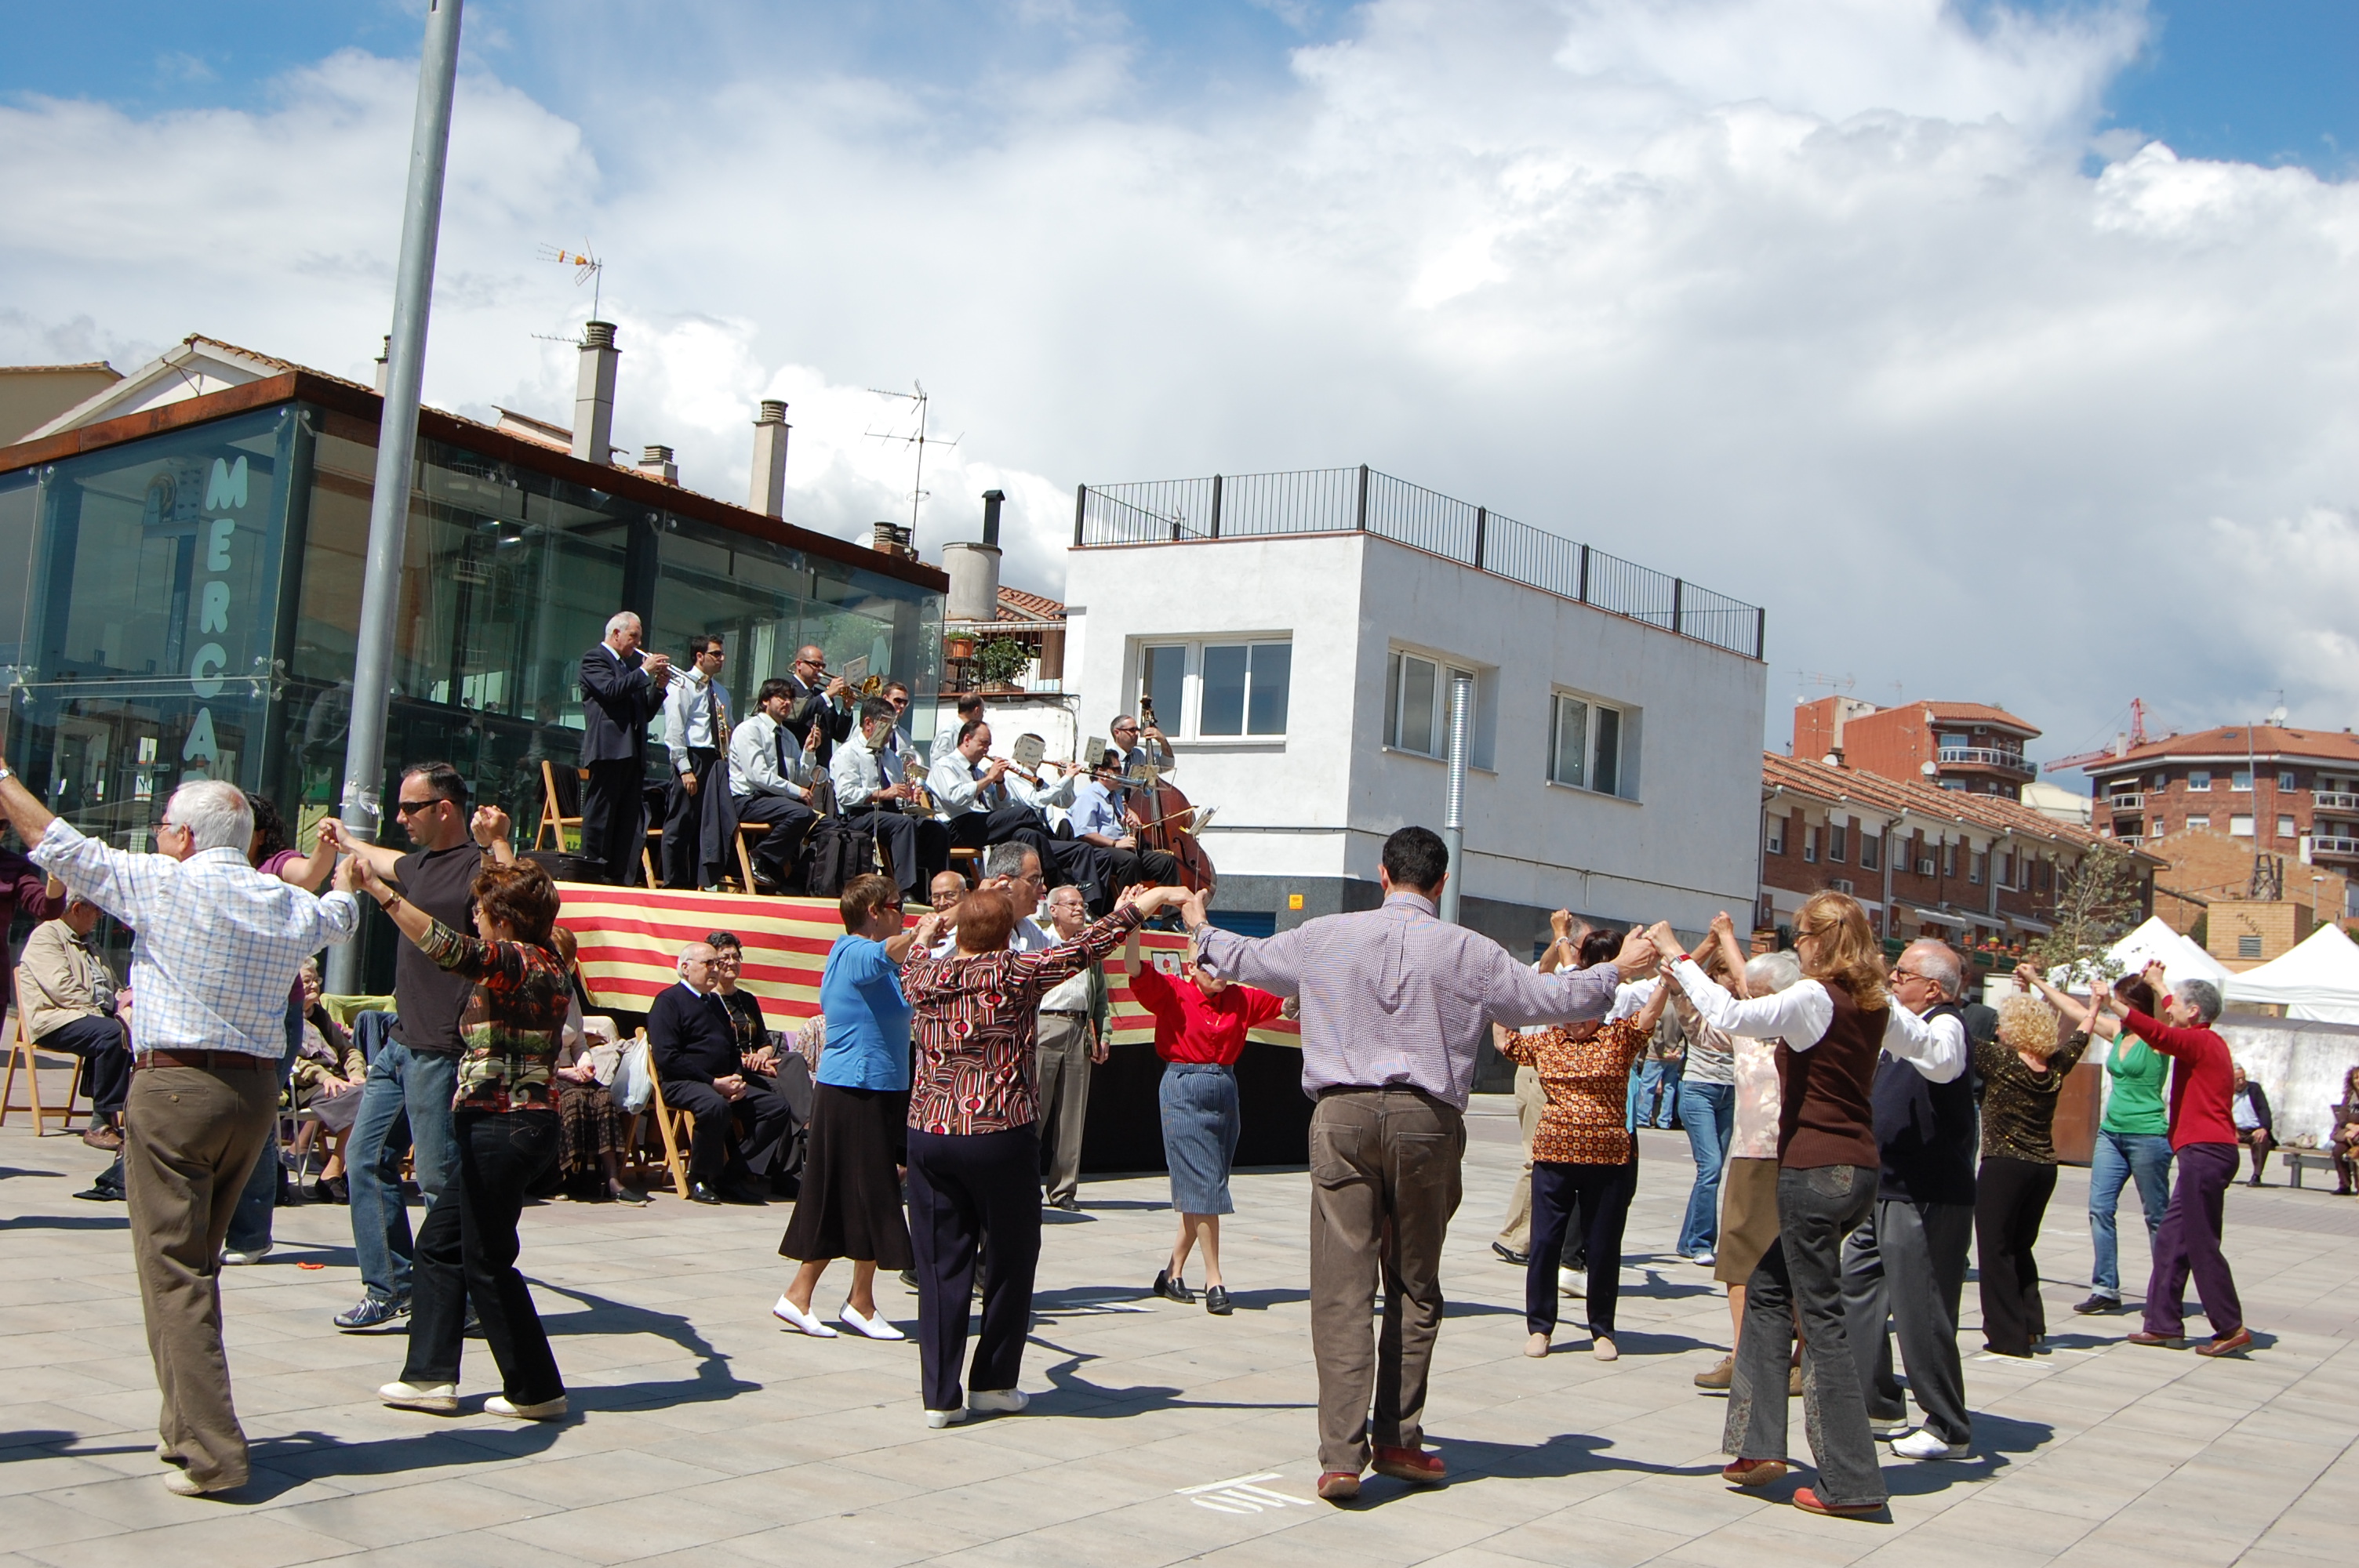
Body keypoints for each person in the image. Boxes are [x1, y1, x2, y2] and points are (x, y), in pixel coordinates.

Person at [1180, 827, 1656, 1502]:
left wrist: (1195, 918)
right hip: (1427, 1122)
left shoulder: (1324, 935)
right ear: (1440, 882)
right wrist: (1619, 968)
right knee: (1413, 1283)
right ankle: (1399, 1437)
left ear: (1382, 875)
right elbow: (1547, 1000)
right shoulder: (1469, 948)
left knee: (1341, 1285)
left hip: (1341, 1116)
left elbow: (1241, 957)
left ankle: (1341, 1455)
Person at [0, 764, 358, 1497]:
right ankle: (181, 1426)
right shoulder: (278, 899)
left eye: (165, 825)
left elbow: (53, 841)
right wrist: (348, 875)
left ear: (187, 836)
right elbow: (340, 915)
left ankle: (212, 1450)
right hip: (254, 1094)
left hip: (175, 1087)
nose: (158, 834)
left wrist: (5, 776)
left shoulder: (164, 882)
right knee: (194, 1263)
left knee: (175, 1273)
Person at [1656, 891, 1963, 1519]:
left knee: (1821, 1323)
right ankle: (1757, 1444)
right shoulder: (1877, 1002)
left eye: (1800, 935)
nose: (1795, 944)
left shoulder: (1815, 997)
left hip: (1812, 1171)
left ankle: (1850, 1481)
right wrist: (1955, 1018)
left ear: (1822, 939)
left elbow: (1727, 1011)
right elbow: (1940, 1058)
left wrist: (1677, 956)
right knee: (1770, 1291)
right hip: (1859, 1173)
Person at [899, 884, 1184, 1427]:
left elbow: (917, 945)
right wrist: (1145, 904)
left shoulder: (923, 974)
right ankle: (994, 1381)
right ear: (1007, 933)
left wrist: (928, 931)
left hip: (930, 1131)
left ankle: (940, 1395)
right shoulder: (1014, 970)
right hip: (998, 1130)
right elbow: (1091, 945)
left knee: (940, 1266)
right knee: (1010, 1257)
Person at [350, 855, 572, 1422]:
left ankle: (535, 1388)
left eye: (480, 909)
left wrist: (381, 891)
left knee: (488, 1260)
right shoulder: (545, 955)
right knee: (443, 1246)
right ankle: (429, 1376)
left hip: (504, 1125)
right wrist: (499, 847)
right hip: (504, 1126)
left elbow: (454, 950)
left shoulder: (521, 960)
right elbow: (517, 902)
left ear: (505, 916)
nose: (473, 917)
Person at [321, 764, 511, 1332]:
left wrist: (497, 839)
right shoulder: (419, 863)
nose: (401, 818)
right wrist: (347, 842)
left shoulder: (477, 866)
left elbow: (515, 904)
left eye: (410, 808)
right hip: (401, 1043)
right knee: (363, 1157)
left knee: (437, 1180)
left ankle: (463, 1299)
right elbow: (378, 859)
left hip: (444, 1048)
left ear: (444, 809)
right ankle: (391, 1287)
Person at [2037, 963, 2250, 1357]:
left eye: (2177, 1006)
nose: (2168, 1008)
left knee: (2201, 1242)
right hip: (2198, 1151)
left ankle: (2230, 1325)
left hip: (2207, 1151)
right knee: (2171, 1238)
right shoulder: (2197, 1034)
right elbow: (2169, 1013)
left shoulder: (2202, 1042)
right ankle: (2164, 1324)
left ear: (2194, 1014)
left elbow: (2157, 1030)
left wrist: (2116, 1005)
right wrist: (2157, 984)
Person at [1837, 937, 1976, 1461]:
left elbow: (1941, 1063)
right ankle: (1879, 1403)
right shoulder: (1902, 1029)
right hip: (1885, 1185)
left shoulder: (1946, 1026)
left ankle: (1948, 1424)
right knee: (1857, 1287)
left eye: (1902, 974)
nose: (1893, 981)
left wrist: (1879, 996)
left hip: (1927, 1192)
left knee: (1924, 1310)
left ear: (1934, 988)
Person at [773, 873, 926, 1341]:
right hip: (853, 1090)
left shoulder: (887, 965)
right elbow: (882, 954)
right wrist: (922, 931)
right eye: (899, 906)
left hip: (880, 1089)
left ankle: (855, 1300)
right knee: (860, 1192)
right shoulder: (852, 951)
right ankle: (806, 1295)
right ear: (875, 911)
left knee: (868, 1193)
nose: (906, 913)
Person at [1500, 969, 1670, 1362]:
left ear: (1600, 1010)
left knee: (1604, 1246)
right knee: (1544, 1243)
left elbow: (1648, 1016)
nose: (1575, 1022)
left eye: (1583, 1013)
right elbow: (1504, 1039)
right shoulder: (1545, 1042)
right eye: (1568, 1013)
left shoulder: (1618, 1037)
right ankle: (1540, 1327)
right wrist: (1505, 995)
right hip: (1554, 1157)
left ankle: (1602, 1330)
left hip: (1608, 1158)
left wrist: (1665, 981)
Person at [1128, 913, 1285, 1313]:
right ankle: (1215, 1279)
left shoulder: (1241, 999)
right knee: (1207, 1189)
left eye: (1227, 971)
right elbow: (1135, 970)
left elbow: (1287, 1001)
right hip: (1183, 1089)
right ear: (1193, 968)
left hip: (1223, 1090)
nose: (1222, 978)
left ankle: (1171, 1273)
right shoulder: (1173, 993)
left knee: (1207, 1185)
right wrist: (1131, 932)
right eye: (1213, 969)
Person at [1696, 945, 1807, 1397]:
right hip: (1748, 1153)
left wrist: (1726, 938)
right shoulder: (1746, 1029)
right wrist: (1690, 960)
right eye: (1751, 995)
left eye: (1763, 996)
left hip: (1795, 1153)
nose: (1753, 1002)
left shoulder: (1807, 1032)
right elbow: (1707, 1006)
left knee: (1798, 1263)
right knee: (1738, 1259)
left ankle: (1801, 1359)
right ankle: (1743, 1354)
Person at [1971, 987, 2087, 1359]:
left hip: (2004, 1166)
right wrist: (2095, 1007)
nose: (1998, 1029)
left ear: (2015, 1029)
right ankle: (2032, 1326)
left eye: (2003, 1024)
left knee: (1996, 1251)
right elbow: (2080, 1038)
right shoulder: (2054, 1064)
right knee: (2021, 1248)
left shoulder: (1999, 1060)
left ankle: (2008, 1336)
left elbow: (1954, 1035)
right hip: (2044, 1169)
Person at [648, 941, 798, 1203]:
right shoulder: (668, 1002)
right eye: (709, 963)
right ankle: (701, 1178)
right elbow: (667, 1057)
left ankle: (732, 1174)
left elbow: (731, 1048)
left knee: (776, 1108)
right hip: (684, 1082)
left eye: (716, 964)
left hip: (723, 1081)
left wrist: (737, 1078)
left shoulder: (715, 1003)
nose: (715, 969)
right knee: (715, 1106)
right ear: (685, 968)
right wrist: (713, 1082)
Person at [2074, 975, 2173, 1313]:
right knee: (2100, 1209)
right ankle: (2105, 1288)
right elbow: (2075, 1010)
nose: (2116, 1010)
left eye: (2121, 1003)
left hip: (2148, 1134)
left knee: (2157, 1216)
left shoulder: (2158, 1038)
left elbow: (2175, 1018)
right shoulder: (2120, 1033)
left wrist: (2160, 985)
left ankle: (2165, 1290)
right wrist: (2036, 981)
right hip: (2111, 1133)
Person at [1492, 912, 1584, 1267]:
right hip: (1537, 1073)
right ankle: (1517, 1239)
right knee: (1537, 1159)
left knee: (1540, 1158)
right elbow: (1543, 970)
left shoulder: (1553, 976)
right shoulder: (1548, 976)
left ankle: (1524, 1236)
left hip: (1537, 1072)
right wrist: (1561, 937)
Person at [15, 896, 130, 1150]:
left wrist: (126, 1003)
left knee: (137, 1033)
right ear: (77, 908)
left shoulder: (90, 942)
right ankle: (101, 1122)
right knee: (114, 1034)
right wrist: (103, 1014)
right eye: (97, 910)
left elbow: (111, 986)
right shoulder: (46, 936)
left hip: (91, 1016)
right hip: (56, 1019)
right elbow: (62, 989)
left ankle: (133, 1117)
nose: (100, 916)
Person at [547, 927, 644, 1206]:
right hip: (544, 1072)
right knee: (574, 1099)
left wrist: (586, 1063)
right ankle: (559, 1176)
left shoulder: (569, 994)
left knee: (602, 1096)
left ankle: (612, 1179)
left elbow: (578, 1041)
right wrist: (564, 1072)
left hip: (572, 1069)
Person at [578, 610, 673, 887]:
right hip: (609, 751)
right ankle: (593, 870)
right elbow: (609, 691)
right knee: (602, 814)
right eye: (633, 636)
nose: (637, 643)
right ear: (616, 634)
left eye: (639, 638)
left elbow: (644, 712)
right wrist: (645, 671)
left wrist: (659, 687)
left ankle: (617, 877)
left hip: (633, 754)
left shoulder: (628, 669)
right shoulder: (595, 658)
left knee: (626, 818)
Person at [1036, 884, 1110, 1212]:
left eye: (1082, 904)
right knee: (1033, 1112)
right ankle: (1023, 1183)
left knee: (1072, 1115)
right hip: (1044, 1026)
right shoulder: (1039, 942)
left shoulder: (1088, 949)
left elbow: (1102, 998)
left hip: (1079, 1028)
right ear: (1053, 910)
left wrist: (1103, 1034)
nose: (1079, 909)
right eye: (1071, 904)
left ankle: (1063, 1189)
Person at [1666, 936, 1740, 1264]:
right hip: (1699, 1089)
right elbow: (1678, 993)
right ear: (1716, 975)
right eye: (1730, 976)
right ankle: (1699, 1243)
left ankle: (1688, 1239)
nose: (1736, 983)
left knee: (1714, 1170)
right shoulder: (1702, 1002)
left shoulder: (1743, 1008)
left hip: (1730, 1092)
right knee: (1709, 1167)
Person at [832, 695, 950, 900]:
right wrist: (884, 794)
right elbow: (845, 795)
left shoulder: (889, 756)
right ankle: (905, 890)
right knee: (903, 825)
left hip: (890, 813)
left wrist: (909, 796)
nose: (891, 733)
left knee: (936, 829)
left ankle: (939, 890)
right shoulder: (848, 753)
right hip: (859, 815)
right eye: (887, 726)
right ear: (869, 724)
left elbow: (896, 792)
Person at [925, 720, 1067, 884]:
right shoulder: (945, 765)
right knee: (1025, 812)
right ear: (966, 740)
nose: (986, 749)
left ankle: (1050, 883)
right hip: (956, 826)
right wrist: (990, 778)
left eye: (989, 745)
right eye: (983, 743)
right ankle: (1058, 868)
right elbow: (956, 797)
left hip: (979, 824)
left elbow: (1002, 806)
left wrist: (1000, 783)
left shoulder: (977, 771)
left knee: (1028, 834)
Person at [660, 633, 736, 891]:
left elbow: (729, 728)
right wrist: (684, 768)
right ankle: (674, 882)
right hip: (692, 757)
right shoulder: (682, 684)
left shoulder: (721, 692)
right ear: (699, 656)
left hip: (714, 759)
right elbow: (675, 728)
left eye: (722, 653)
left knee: (703, 823)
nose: (721, 658)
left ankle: (695, 883)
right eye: (715, 654)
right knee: (681, 821)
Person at [730, 677, 821, 892]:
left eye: (790, 698)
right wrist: (798, 791)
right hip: (749, 800)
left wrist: (809, 753)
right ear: (764, 701)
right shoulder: (749, 730)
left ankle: (794, 883)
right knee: (801, 814)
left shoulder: (788, 736)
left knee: (827, 826)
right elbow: (758, 775)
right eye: (781, 697)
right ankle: (759, 856)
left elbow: (799, 779)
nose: (787, 702)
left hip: (778, 801)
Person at [286, 957, 366, 1202]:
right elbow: (288, 1060)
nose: (313, 986)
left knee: (375, 1092)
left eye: (315, 981)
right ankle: (334, 1172)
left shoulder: (318, 1014)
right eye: (306, 981)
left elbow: (349, 1051)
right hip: (305, 1086)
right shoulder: (286, 1016)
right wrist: (323, 1076)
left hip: (337, 1082)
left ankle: (344, 1170)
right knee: (364, 1098)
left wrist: (356, 1074)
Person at [783, 643, 856, 768]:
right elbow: (798, 716)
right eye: (816, 664)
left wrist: (847, 708)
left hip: (822, 768)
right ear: (799, 664)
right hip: (797, 764)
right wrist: (827, 695)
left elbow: (839, 735)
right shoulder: (786, 689)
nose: (820, 669)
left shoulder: (822, 695)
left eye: (823, 666)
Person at [1635, 1003, 1685, 1131]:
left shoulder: (1661, 1007)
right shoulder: (1682, 1009)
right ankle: (1664, 1120)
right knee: (1669, 1088)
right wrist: (1678, 1049)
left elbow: (1656, 1034)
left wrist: (1664, 1049)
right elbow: (1685, 1035)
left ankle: (1643, 1118)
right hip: (1674, 1055)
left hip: (1657, 1053)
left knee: (1648, 1086)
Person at [2230, 1064, 2274, 1186]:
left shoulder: (2254, 1089)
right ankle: (2225, 1173)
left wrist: (2263, 1128)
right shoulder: (2224, 1091)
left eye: (2243, 1078)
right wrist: (2231, 1129)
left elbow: (2264, 1110)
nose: (2242, 1082)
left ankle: (2257, 1175)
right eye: (2238, 1079)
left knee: (2261, 1141)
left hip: (2253, 1129)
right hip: (2234, 1129)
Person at [930, 693, 987, 768]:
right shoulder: (949, 733)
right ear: (977, 711)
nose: (983, 716)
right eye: (983, 711)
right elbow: (939, 766)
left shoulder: (966, 731)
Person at [2331, 1066, 2359, 1196]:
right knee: (2338, 1151)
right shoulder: (2349, 1097)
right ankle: (2344, 1185)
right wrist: (2349, 1126)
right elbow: (2342, 1117)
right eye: (2356, 1078)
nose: (2358, 1081)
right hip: (2349, 1133)